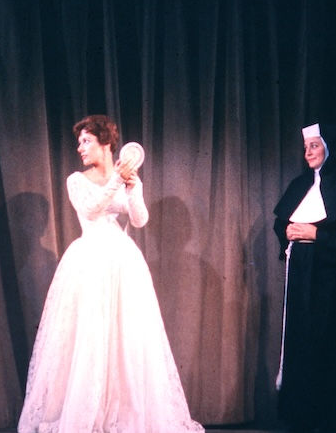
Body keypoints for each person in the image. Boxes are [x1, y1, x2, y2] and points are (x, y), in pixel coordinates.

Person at [18, 114, 204, 433]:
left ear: (105, 143)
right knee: (89, 335)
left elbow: (140, 219)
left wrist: (134, 186)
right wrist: (118, 179)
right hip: (90, 259)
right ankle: (85, 414)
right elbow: (90, 210)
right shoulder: (76, 180)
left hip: (122, 261)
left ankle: (123, 413)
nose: (80, 147)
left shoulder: (123, 177)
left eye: (86, 141)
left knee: (126, 337)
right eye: (79, 142)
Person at [272, 122, 336, 433]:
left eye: (314, 146)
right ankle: (302, 418)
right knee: (300, 344)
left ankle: (330, 421)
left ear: (328, 148)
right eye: (305, 147)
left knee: (328, 346)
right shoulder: (301, 183)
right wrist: (287, 232)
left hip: (329, 279)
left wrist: (317, 234)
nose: (308, 153)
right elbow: (281, 222)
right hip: (300, 276)